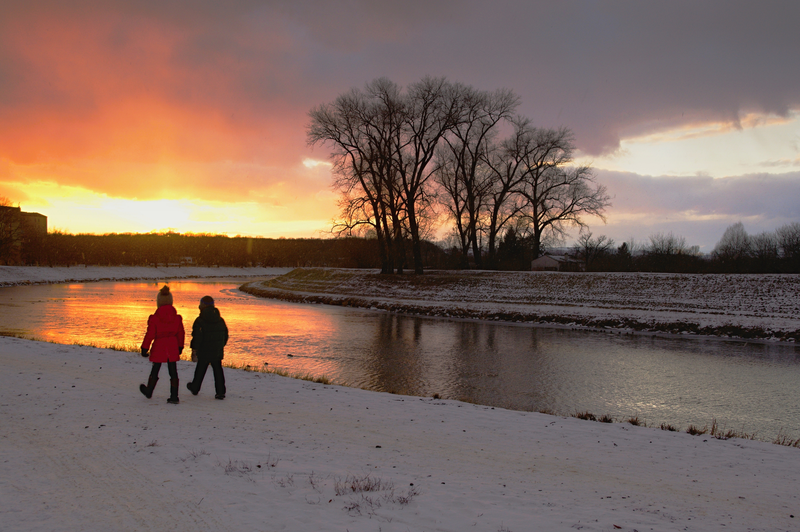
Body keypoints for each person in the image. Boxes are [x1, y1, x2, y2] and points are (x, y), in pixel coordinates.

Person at [139, 285, 185, 404]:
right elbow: (181, 333)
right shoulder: (177, 318)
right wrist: (180, 346)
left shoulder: (154, 318)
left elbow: (150, 334)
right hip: (172, 345)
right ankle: (174, 396)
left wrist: (145, 347)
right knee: (173, 370)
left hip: (160, 345)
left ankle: (149, 390)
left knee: (156, 368)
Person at [187, 295, 228, 399]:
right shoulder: (220, 320)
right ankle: (220, 392)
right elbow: (225, 335)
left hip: (204, 350)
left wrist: (194, 349)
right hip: (216, 350)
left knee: (200, 369)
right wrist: (220, 345)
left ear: (202, 305)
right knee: (218, 370)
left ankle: (195, 388)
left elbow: (196, 336)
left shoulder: (199, 320)